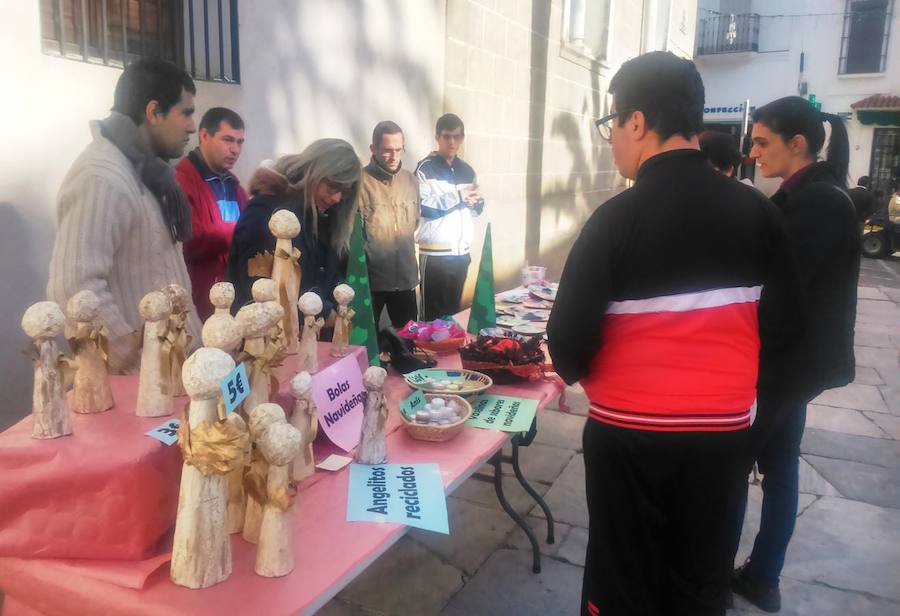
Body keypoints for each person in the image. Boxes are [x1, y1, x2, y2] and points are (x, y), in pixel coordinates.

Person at [546, 52, 799, 616]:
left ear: (637, 122)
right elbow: (787, 336)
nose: (610, 138)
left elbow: (566, 343)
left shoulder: (616, 219)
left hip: (629, 440)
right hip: (722, 439)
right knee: (701, 580)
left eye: (611, 123)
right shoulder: (759, 215)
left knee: (623, 580)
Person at [731, 96, 860, 613]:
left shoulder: (819, 203)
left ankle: (723, 578)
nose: (754, 152)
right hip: (792, 368)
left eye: (763, 142)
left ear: (797, 144)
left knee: (737, 467)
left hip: (783, 367)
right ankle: (762, 578)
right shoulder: (808, 196)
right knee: (781, 469)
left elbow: (785, 297)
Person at [47, 57, 201, 373]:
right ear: (154, 112)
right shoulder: (102, 176)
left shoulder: (150, 175)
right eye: (185, 113)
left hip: (177, 376)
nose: (192, 126)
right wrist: (136, 364)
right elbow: (74, 289)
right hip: (144, 389)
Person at [226, 139, 360, 319]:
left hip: (310, 337)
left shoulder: (323, 216)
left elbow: (327, 273)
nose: (336, 198)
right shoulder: (265, 213)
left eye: (344, 192)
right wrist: (322, 311)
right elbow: (258, 287)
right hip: (266, 338)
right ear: (312, 171)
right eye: (332, 187)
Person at [176, 107, 248, 320]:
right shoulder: (181, 181)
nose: (235, 149)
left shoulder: (235, 185)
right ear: (204, 135)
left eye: (240, 142)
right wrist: (238, 230)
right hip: (200, 306)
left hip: (235, 302)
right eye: (228, 140)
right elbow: (187, 240)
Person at [415, 113, 484, 320]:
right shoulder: (425, 168)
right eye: (447, 136)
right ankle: (428, 353)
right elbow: (423, 207)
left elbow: (471, 212)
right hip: (435, 256)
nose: (452, 141)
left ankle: (449, 353)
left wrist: (476, 204)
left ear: (462, 138)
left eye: (456, 136)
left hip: (461, 255)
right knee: (432, 318)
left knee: (452, 316)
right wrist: (459, 196)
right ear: (438, 137)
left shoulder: (467, 170)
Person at [358, 121, 420, 328]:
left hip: (405, 278)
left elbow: (415, 221)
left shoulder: (411, 181)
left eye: (398, 149)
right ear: (373, 149)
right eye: (386, 151)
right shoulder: (359, 183)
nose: (394, 157)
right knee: (367, 346)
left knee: (410, 344)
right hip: (371, 282)